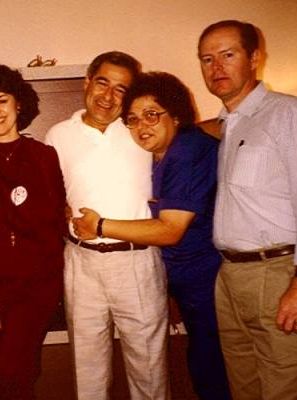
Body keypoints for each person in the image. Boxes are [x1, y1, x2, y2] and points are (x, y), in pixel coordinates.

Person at [197, 20, 297, 400]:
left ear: (254, 59)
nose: (216, 67)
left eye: (228, 55)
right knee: (245, 391)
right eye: (207, 59)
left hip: (284, 273)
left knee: (295, 391)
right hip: (233, 278)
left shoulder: (288, 113)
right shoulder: (229, 125)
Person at [72, 71, 231, 400]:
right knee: (203, 365)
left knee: (214, 370)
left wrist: (99, 226)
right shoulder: (165, 152)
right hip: (183, 281)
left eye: (151, 115)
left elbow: (170, 230)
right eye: (133, 119)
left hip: (209, 281)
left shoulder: (187, 152)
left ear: (176, 115)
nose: (141, 126)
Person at [45, 52, 169, 400]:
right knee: (88, 370)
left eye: (120, 89)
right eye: (102, 83)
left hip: (136, 261)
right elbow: (51, 195)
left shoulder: (139, 130)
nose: (108, 96)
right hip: (81, 262)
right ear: (87, 82)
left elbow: (185, 139)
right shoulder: (58, 135)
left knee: (149, 368)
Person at [0, 64, 66, 400]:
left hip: (35, 288)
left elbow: (58, 219)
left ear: (18, 103)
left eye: (1, 100)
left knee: (15, 369)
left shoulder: (43, 156)